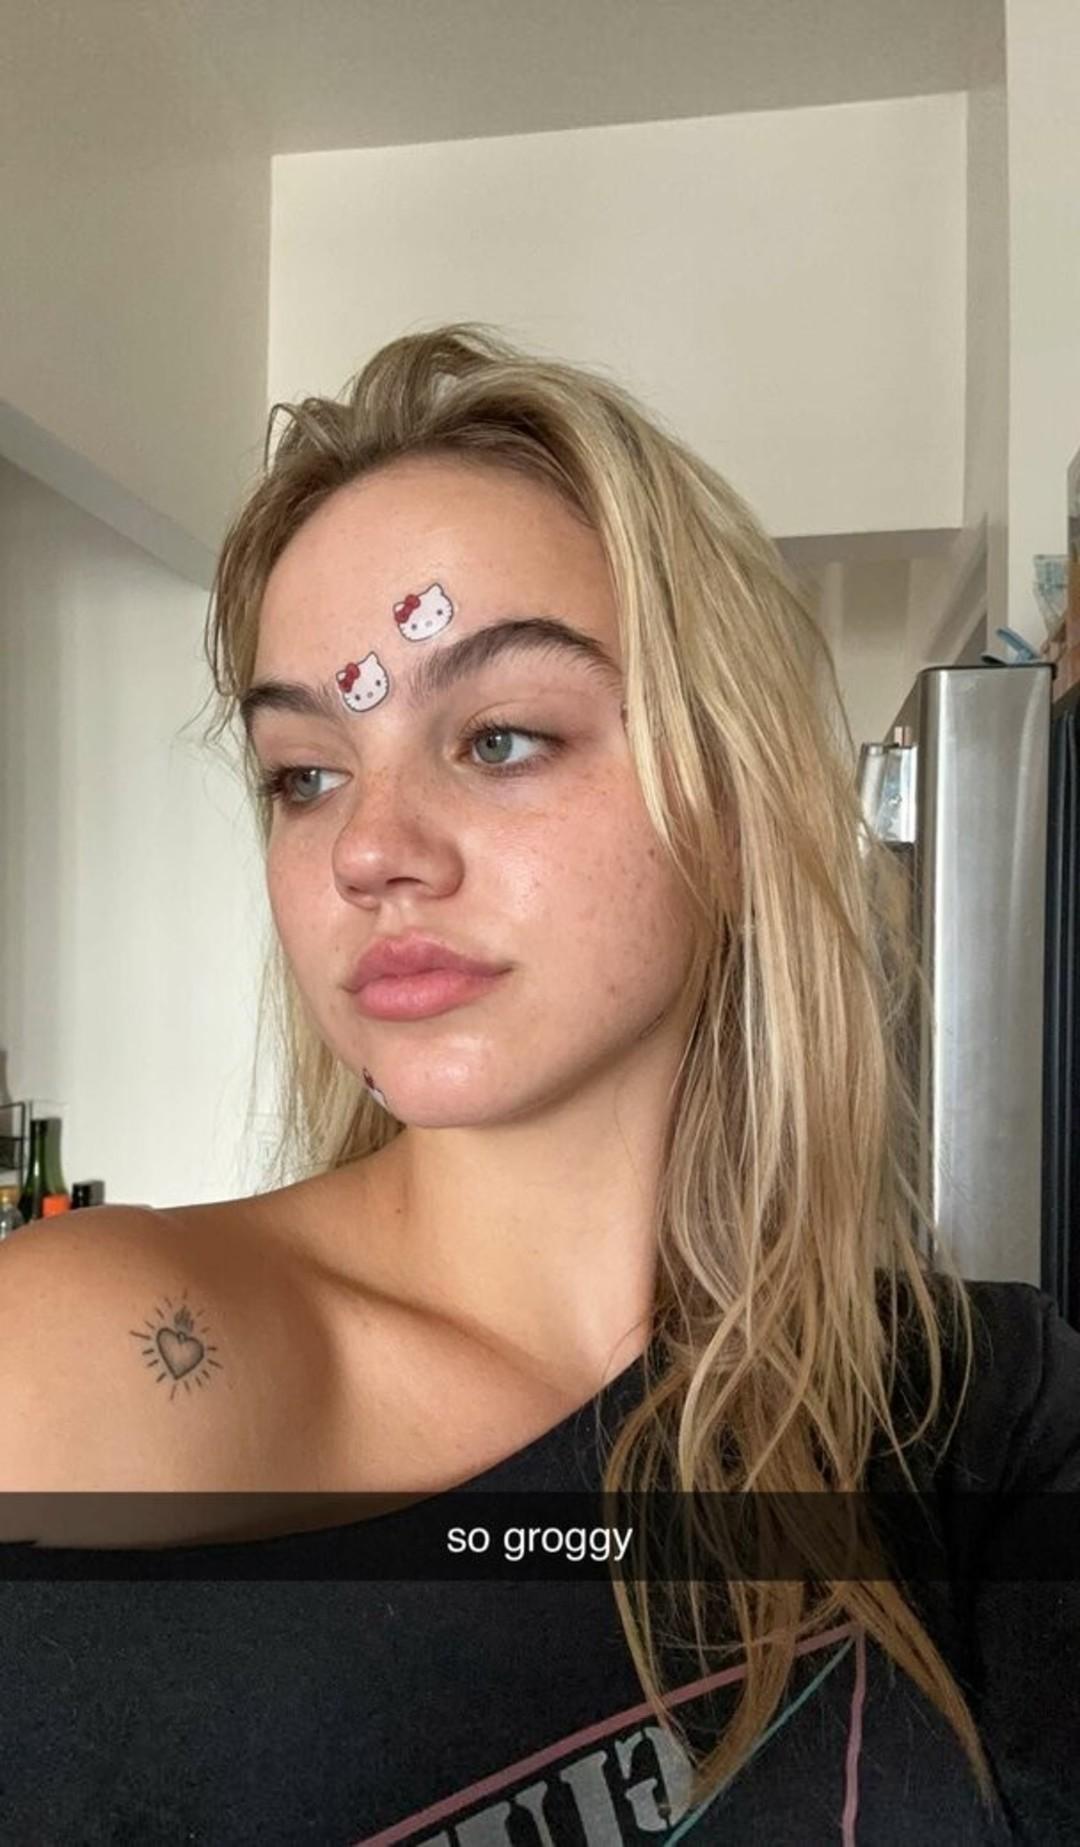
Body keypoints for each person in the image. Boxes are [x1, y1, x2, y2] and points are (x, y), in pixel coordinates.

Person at [0, 323, 1078, 1844]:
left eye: (499, 737)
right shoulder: (91, 1362)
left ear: (735, 799)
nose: (369, 850)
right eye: (306, 772)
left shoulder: (966, 1408)